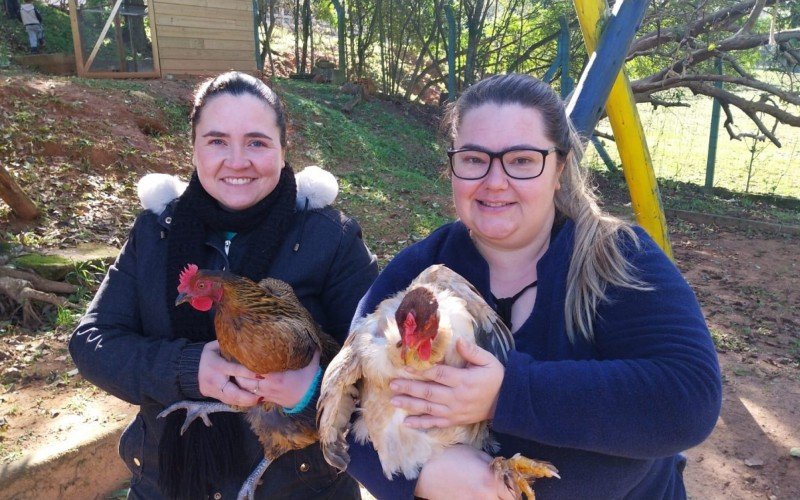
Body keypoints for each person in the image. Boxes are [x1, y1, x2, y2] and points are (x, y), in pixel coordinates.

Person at [343, 73, 722, 499]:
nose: (494, 181)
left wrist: (507, 395)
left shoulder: (617, 259)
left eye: (522, 160)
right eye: (473, 159)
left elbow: (689, 398)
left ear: (559, 168)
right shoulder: (420, 270)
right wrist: (422, 478)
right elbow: (343, 407)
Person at [69, 71, 377, 499]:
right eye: (216, 141)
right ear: (193, 149)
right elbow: (92, 342)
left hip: (301, 487)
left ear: (283, 149)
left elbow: (384, 362)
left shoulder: (330, 236)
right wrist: (187, 369)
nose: (237, 160)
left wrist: (313, 389)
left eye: (256, 141)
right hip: (168, 482)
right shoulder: (155, 232)